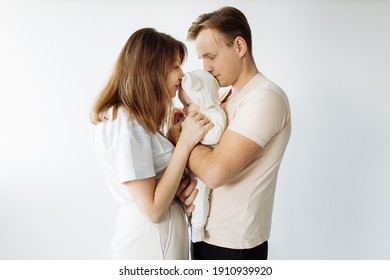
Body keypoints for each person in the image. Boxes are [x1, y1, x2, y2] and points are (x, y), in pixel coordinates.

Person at [173, 6, 292, 260]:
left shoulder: (265, 97)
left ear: (239, 47)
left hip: (234, 247)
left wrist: (179, 137)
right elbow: (203, 164)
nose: (205, 67)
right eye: (202, 59)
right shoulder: (223, 97)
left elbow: (215, 172)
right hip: (202, 235)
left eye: (211, 57)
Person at [90, 28, 213, 260]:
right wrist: (184, 144)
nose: (181, 74)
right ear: (152, 68)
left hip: (158, 242)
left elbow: (153, 184)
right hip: (150, 245)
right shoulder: (126, 123)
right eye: (175, 65)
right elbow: (153, 209)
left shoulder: (134, 122)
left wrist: (170, 138)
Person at [172, 69, 227, 243]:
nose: (185, 109)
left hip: (202, 170)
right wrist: (180, 122)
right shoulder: (194, 116)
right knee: (185, 193)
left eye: (188, 104)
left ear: (202, 98)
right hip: (188, 165)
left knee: (200, 192)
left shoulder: (214, 113)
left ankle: (198, 225)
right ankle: (189, 221)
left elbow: (215, 135)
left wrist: (190, 129)